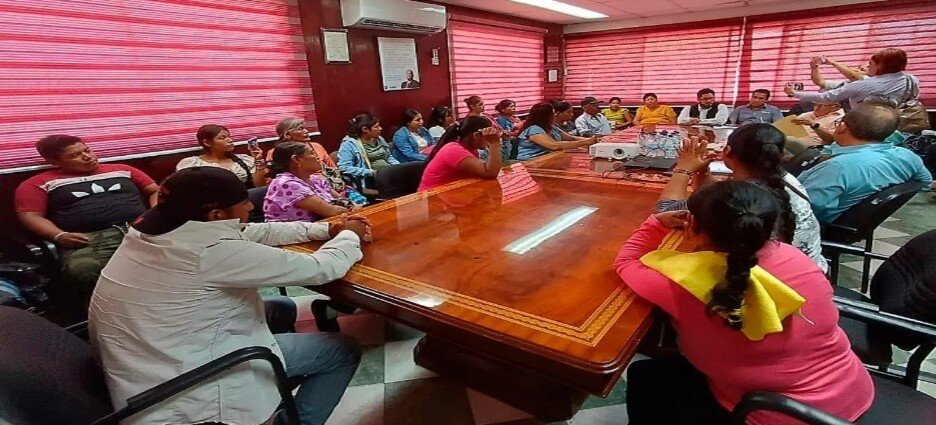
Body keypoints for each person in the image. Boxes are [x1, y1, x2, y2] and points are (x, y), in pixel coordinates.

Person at [89, 166, 368, 425]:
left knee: (281, 306)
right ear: (216, 215)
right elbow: (322, 268)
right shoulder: (209, 252)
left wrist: (326, 229)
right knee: (340, 351)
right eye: (244, 202)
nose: (251, 206)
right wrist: (348, 236)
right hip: (185, 381)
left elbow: (248, 231)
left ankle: (278, 385)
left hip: (150, 353)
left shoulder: (155, 230)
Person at [617, 181, 873, 425]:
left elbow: (625, 262)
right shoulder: (793, 255)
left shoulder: (684, 284)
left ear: (692, 225)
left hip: (774, 413)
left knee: (646, 376)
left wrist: (655, 223)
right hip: (852, 389)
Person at [658, 124, 827, 272]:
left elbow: (665, 213)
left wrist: (682, 169)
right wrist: (702, 171)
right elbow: (712, 198)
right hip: (808, 270)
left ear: (727, 151)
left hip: (769, 282)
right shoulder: (784, 178)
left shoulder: (743, 196)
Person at [14, 135, 159, 304]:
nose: (87, 157)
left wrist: (157, 213)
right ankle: (110, 308)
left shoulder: (123, 169)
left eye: (87, 150)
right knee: (83, 270)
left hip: (142, 227)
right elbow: (30, 216)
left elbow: (155, 190)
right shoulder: (37, 183)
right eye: (74, 155)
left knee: (179, 252)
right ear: (54, 162)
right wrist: (58, 235)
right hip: (90, 238)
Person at [798, 103, 932, 224]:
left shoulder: (837, 168)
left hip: (814, 227)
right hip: (858, 225)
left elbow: (802, 208)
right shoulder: (907, 156)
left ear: (842, 127)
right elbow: (925, 182)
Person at [788, 48, 917, 111]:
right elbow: (820, 82)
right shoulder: (911, 79)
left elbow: (826, 97)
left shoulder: (864, 84)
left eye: (870, 64)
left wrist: (794, 93)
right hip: (895, 122)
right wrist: (814, 67)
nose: (865, 67)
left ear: (880, 66)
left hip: (867, 125)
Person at [265, 142, 356, 222]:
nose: (318, 158)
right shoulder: (286, 184)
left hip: (323, 225)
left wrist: (352, 207)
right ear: (296, 159)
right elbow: (332, 212)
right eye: (312, 153)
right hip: (296, 233)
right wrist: (352, 209)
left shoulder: (315, 179)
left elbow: (342, 199)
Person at [418, 116, 504, 191]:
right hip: (433, 197)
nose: (488, 140)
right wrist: (494, 143)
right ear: (476, 135)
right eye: (488, 136)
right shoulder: (454, 150)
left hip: (452, 194)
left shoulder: (471, 149)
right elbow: (490, 173)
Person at [176, 124, 266, 188]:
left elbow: (259, 185)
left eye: (229, 136)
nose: (230, 140)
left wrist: (258, 160)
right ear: (207, 143)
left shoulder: (243, 160)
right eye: (222, 138)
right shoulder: (192, 164)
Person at [338, 113, 400, 192]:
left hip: (388, 173)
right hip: (370, 179)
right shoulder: (349, 144)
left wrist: (398, 167)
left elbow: (388, 156)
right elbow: (344, 167)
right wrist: (372, 172)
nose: (380, 128)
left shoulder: (379, 139)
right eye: (376, 127)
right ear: (365, 129)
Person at [517, 102, 598, 160]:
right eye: (553, 114)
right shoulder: (534, 129)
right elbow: (554, 145)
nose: (555, 115)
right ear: (544, 116)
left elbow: (571, 138)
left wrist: (594, 140)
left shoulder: (552, 127)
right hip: (532, 161)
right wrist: (585, 142)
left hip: (550, 158)